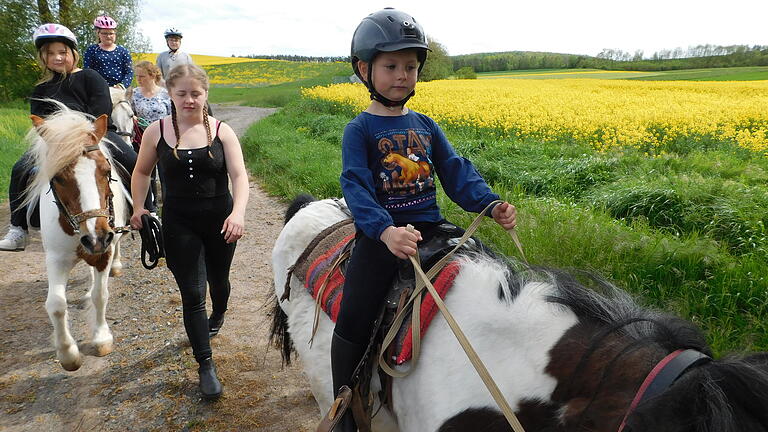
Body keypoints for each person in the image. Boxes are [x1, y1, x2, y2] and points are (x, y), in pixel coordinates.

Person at [332, 8, 517, 431]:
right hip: (382, 237)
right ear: (364, 68)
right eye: (391, 66)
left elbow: (455, 171)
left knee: (493, 277)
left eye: (411, 67)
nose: (402, 75)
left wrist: (490, 204)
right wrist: (384, 231)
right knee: (355, 315)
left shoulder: (426, 126)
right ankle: (342, 403)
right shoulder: (358, 130)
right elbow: (356, 188)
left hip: (432, 228)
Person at [129, 64, 249, 400]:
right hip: (179, 223)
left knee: (218, 280)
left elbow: (239, 176)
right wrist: (139, 207)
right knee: (193, 293)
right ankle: (205, 365)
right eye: (182, 93)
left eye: (196, 93)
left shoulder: (223, 131)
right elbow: (141, 172)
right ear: (170, 93)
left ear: (206, 94)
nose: (189, 100)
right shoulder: (157, 131)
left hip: (221, 220)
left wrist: (238, 213)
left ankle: (221, 311)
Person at [0, 23, 142, 251]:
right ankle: (18, 230)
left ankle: (147, 212)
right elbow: (40, 122)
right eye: (50, 53)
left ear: (73, 54)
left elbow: (100, 110)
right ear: (43, 58)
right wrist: (58, 137)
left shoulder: (90, 77)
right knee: (19, 169)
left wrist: (79, 133)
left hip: (96, 137)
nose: (57, 58)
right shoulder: (41, 90)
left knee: (133, 159)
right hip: (56, 143)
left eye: (62, 52)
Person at [83, 15, 133, 88]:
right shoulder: (92, 50)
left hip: (118, 89)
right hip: (97, 88)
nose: (108, 36)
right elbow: (87, 71)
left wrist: (122, 85)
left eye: (111, 33)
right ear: (98, 33)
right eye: (105, 33)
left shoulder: (123, 51)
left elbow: (129, 72)